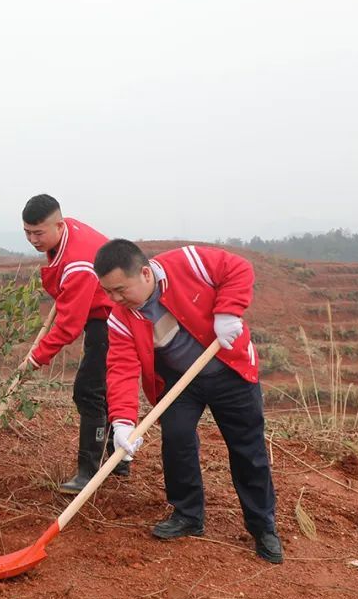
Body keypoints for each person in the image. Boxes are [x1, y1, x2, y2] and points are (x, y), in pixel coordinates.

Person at [95, 238, 283, 563]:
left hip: (229, 371)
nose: (114, 299)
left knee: (247, 449)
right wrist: (123, 421)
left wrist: (228, 311)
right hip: (179, 381)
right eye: (108, 291)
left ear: (145, 273)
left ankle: (263, 526)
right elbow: (121, 369)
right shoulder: (120, 317)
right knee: (177, 440)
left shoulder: (188, 262)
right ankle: (187, 515)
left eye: (120, 290)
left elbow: (238, 269)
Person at [20, 194, 124, 494]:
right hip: (101, 308)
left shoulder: (78, 265)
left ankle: (89, 473)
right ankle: (120, 457)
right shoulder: (67, 234)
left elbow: (67, 327)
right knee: (102, 388)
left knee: (89, 391)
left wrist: (36, 358)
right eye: (27, 232)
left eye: (38, 233)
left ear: (59, 225)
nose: (32, 239)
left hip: (113, 316)